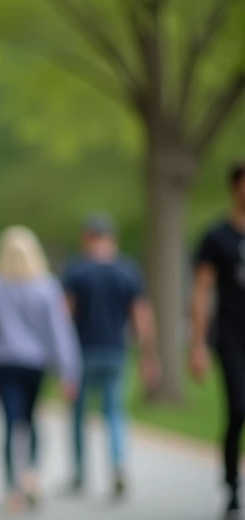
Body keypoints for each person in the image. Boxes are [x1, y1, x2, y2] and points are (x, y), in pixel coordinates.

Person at [0, 226, 81, 514]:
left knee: (10, 423)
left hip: (4, 362)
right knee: (31, 421)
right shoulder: (46, 286)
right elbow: (58, 331)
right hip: (35, 363)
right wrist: (68, 369)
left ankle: (12, 490)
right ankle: (31, 475)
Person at [61, 214, 158, 500]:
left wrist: (60, 355)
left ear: (87, 237)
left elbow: (64, 315)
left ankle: (80, 475)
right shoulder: (127, 271)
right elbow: (141, 316)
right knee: (114, 411)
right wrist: (148, 355)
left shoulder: (77, 271)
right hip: (116, 351)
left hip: (82, 352)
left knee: (78, 414)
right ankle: (117, 465)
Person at [189, 159, 245, 520]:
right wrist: (196, 343)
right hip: (231, 333)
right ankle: (231, 488)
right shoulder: (217, 237)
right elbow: (202, 289)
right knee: (238, 406)